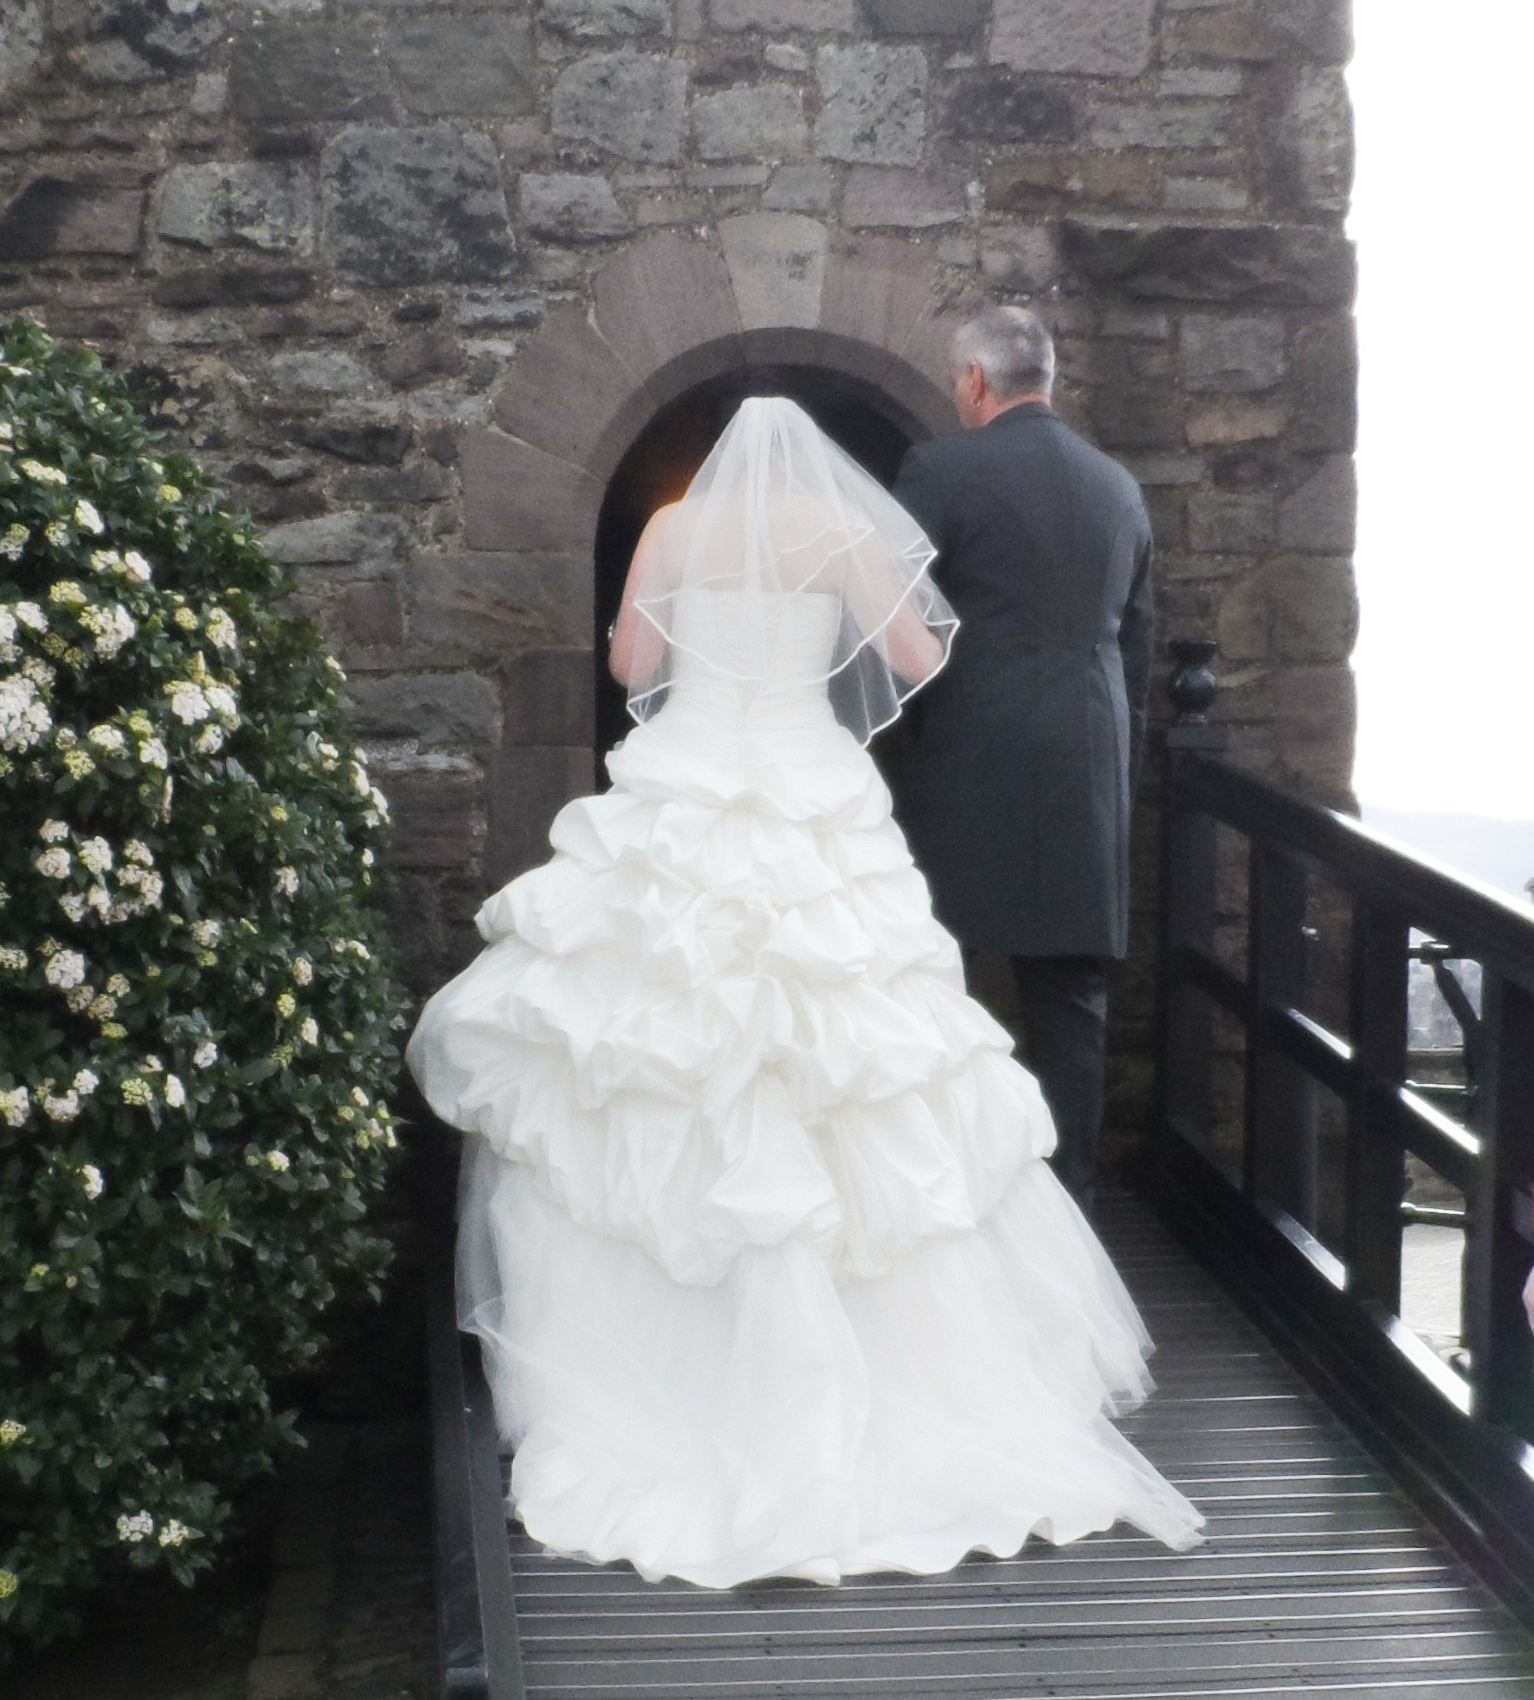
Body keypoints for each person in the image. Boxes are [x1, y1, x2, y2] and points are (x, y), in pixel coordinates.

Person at [406, 396, 1202, 1588]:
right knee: (860, 1053)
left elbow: (630, 662)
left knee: (646, 1040)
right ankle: (909, 1372)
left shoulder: (671, 524)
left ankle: (655, 1362)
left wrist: (692, 641)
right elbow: (919, 655)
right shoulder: (841, 534)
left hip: (693, 769)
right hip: (808, 779)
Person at [884, 307, 1156, 1207]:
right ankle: (1065, 1200)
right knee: (1069, 999)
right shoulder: (1117, 486)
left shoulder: (941, 469)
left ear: (971, 381)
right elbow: (1137, 650)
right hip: (1086, 759)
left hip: (963, 757)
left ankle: (945, 1192)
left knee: (935, 974)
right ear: (1046, 376)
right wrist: (1119, 763)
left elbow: (892, 615)